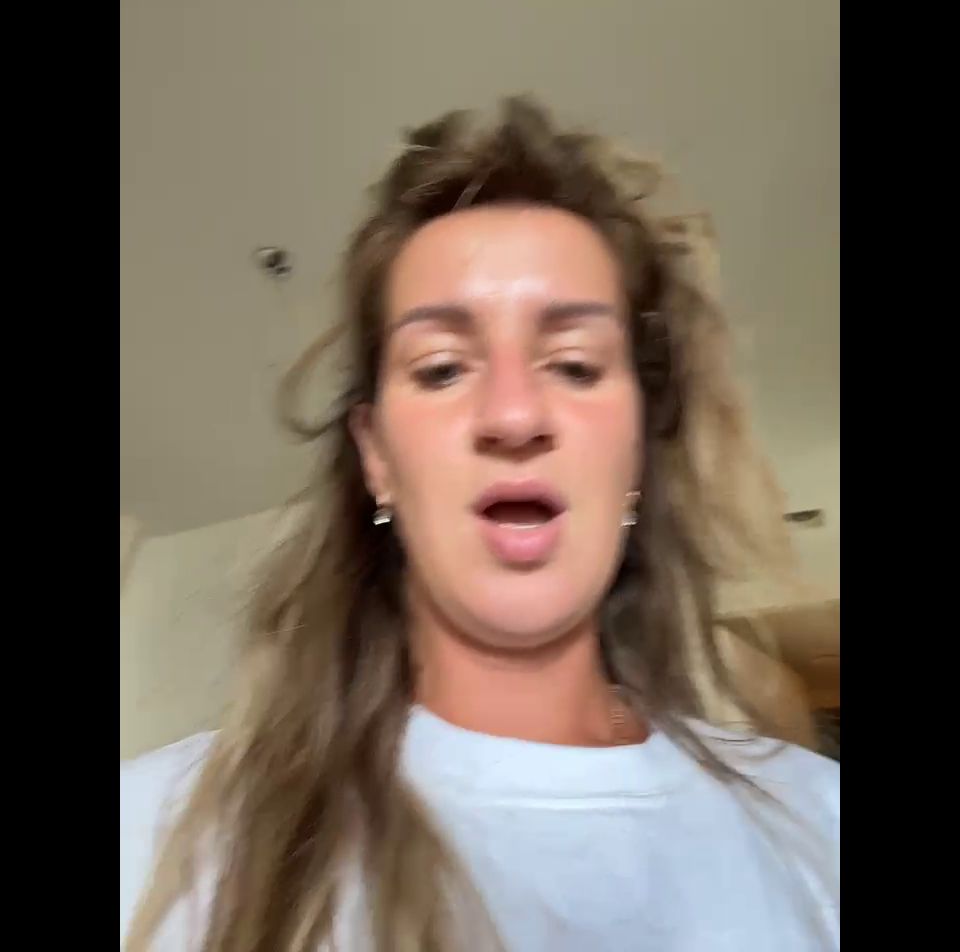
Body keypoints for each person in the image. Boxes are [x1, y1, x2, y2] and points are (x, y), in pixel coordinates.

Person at [120, 97, 839, 952]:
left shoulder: (817, 826)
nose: (513, 415)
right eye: (442, 368)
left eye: (574, 365)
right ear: (377, 457)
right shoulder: (159, 837)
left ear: (639, 453)